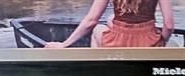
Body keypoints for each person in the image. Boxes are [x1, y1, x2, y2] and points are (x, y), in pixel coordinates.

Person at [44, 0, 174, 48]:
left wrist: (64, 44)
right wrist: (161, 42)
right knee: (110, 19)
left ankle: (99, 68)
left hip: (116, 42)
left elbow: (91, 21)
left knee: (97, 29)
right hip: (148, 42)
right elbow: (168, 25)